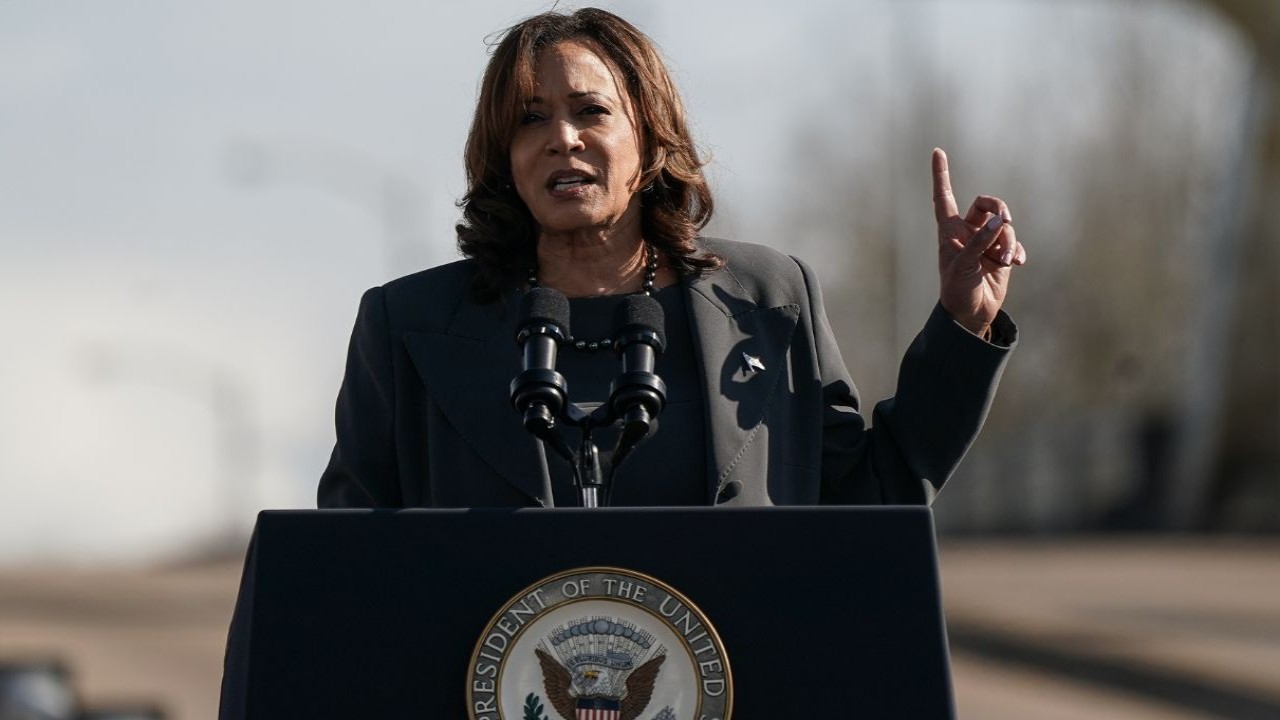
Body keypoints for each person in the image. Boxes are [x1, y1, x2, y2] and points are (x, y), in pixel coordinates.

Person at [317, 7, 1025, 510]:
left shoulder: (768, 299)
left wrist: (963, 323)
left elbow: (870, 499)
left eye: (590, 111)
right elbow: (349, 562)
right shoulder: (407, 325)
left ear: (651, 138)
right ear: (504, 155)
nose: (561, 137)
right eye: (530, 119)